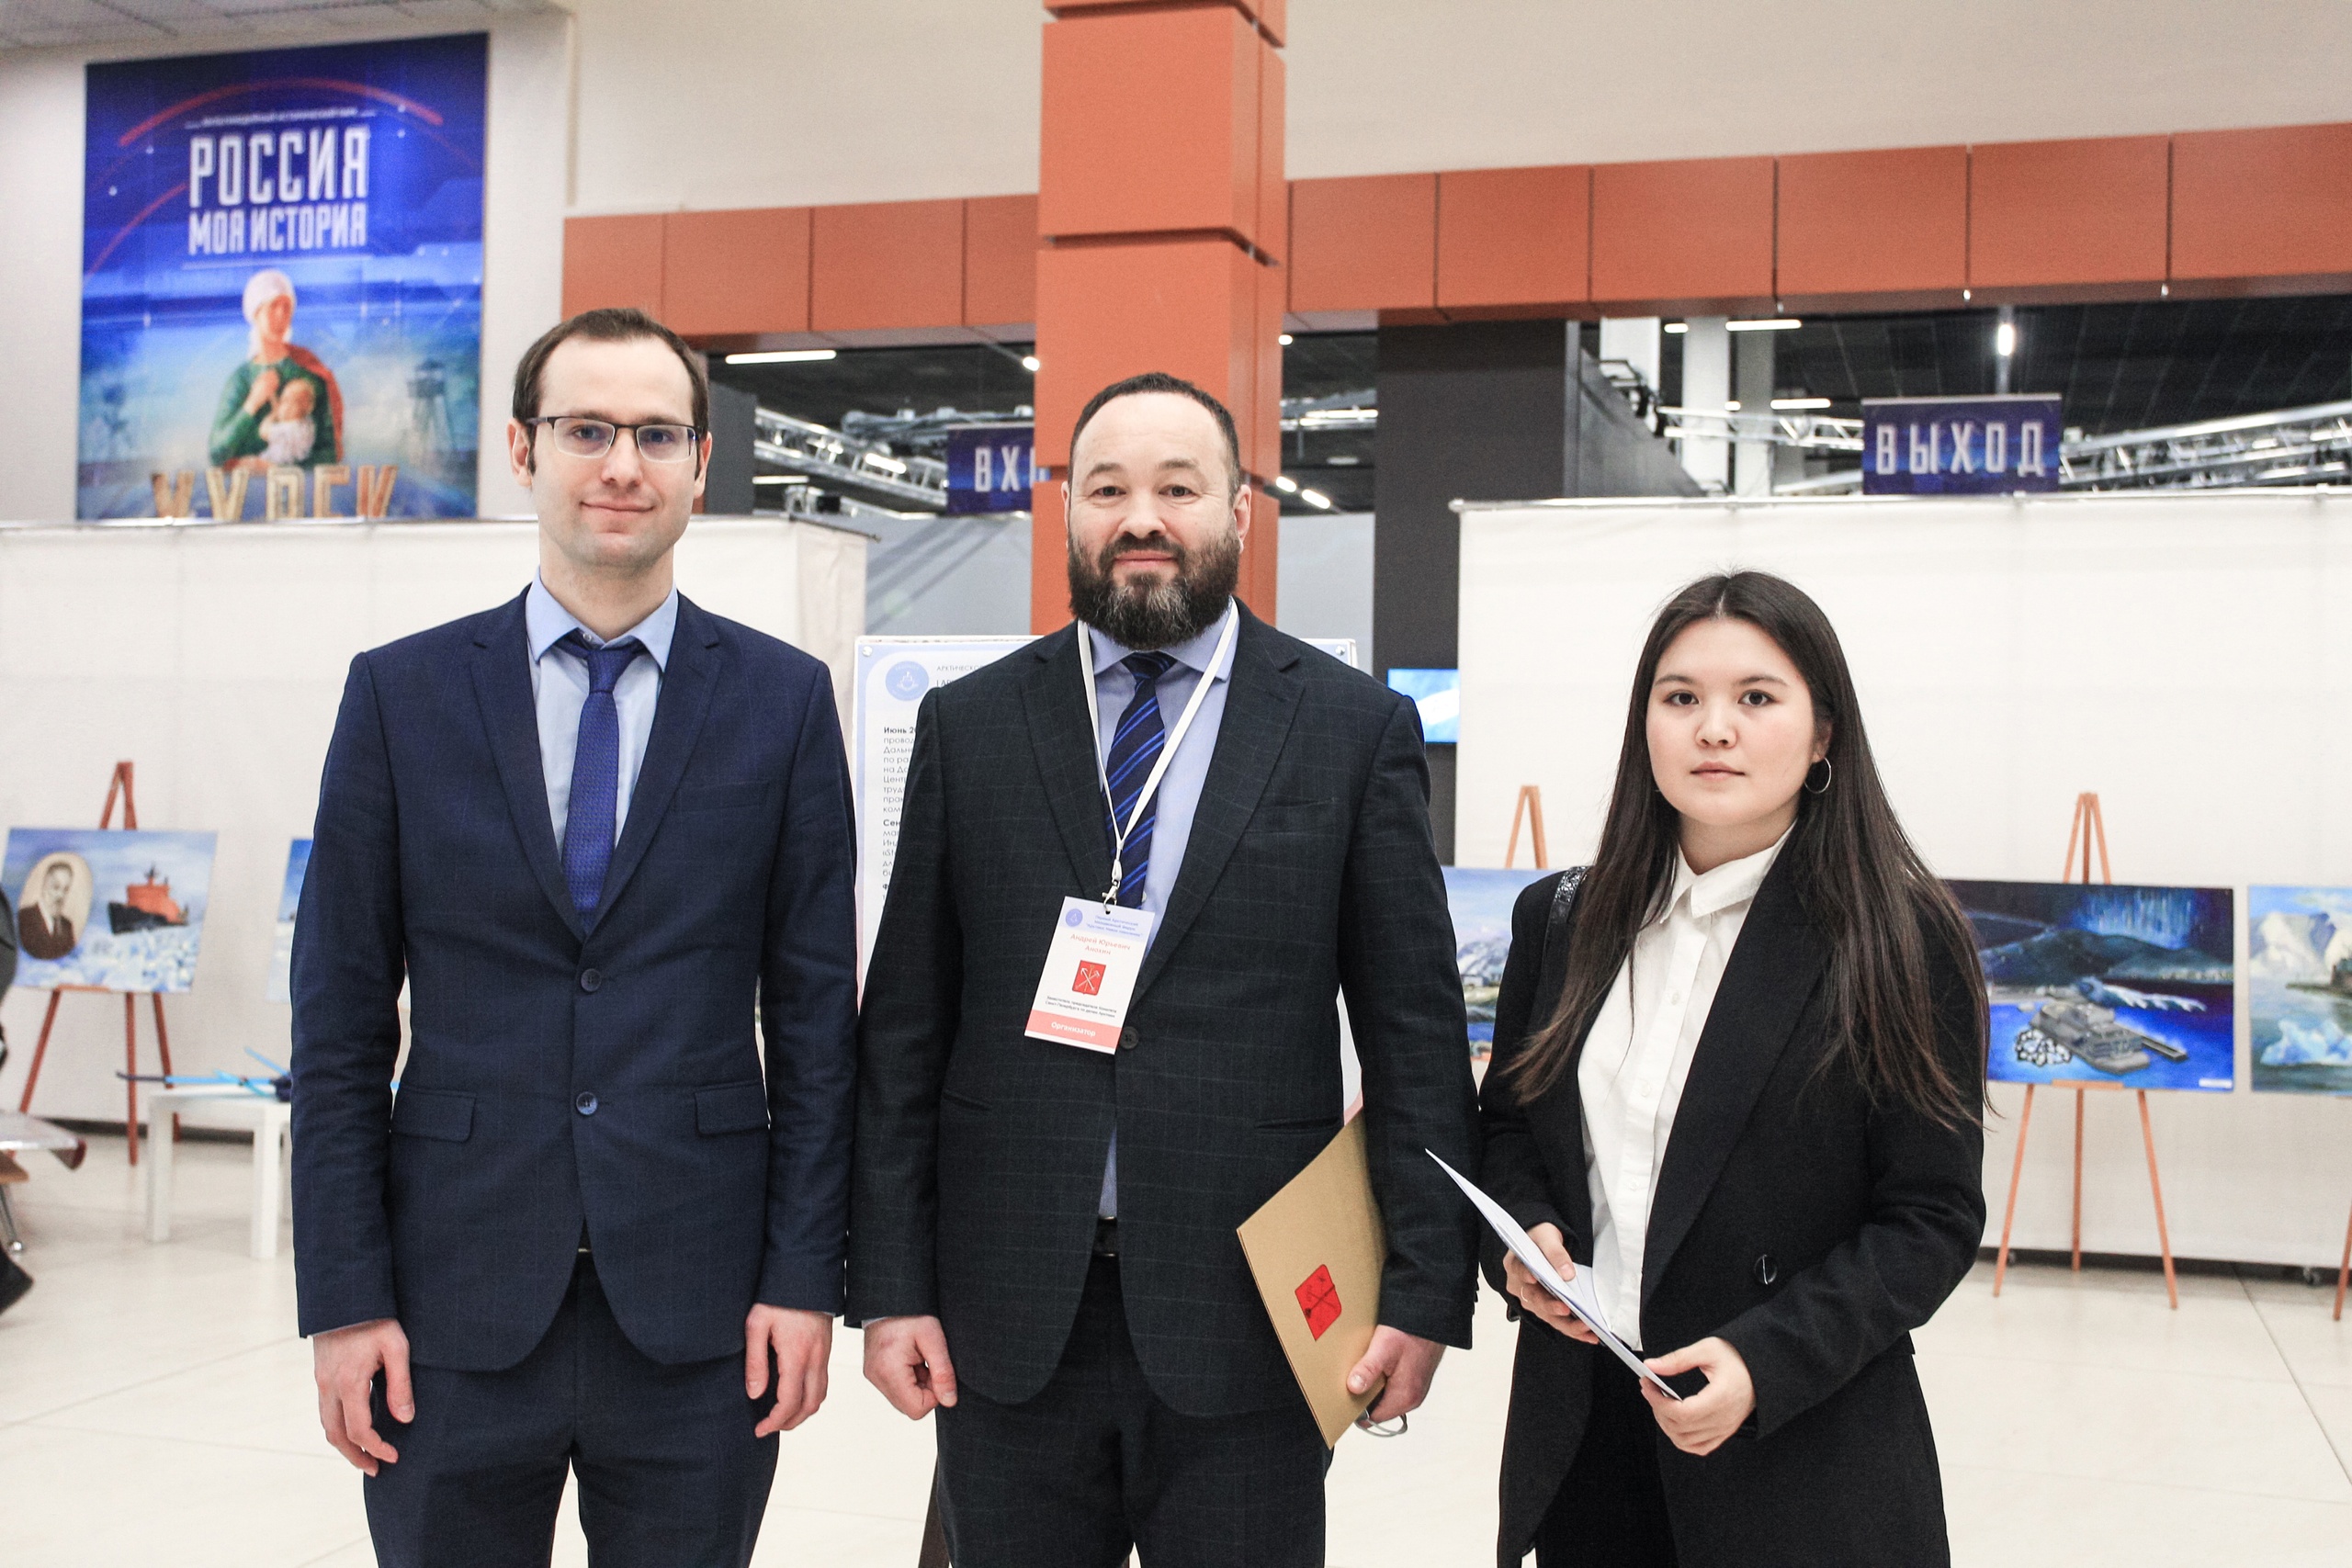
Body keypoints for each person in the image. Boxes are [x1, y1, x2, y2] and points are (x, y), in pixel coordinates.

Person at [852, 370, 1479, 1567]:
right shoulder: (971, 727)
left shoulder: (1349, 731)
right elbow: (904, 1033)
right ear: (1068, 512)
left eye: (1177, 488)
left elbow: (1415, 1037)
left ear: (1240, 511)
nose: (1141, 517)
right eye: (1107, 489)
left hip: (1252, 1315)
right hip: (1007, 1314)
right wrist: (889, 1284)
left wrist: (1421, 1289)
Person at [290, 306, 857, 1568]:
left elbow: (819, 1023)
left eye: (656, 435)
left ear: (702, 463)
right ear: (522, 449)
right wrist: (345, 1297)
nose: (621, 465)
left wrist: (802, 1276)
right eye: (586, 430)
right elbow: (336, 1023)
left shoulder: (781, 703)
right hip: (447, 1305)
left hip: (705, 1313)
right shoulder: (401, 696)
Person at [1477, 571, 1987, 1568]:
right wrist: (1526, 1238)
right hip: (1589, 1433)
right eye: (1681, 697)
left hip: (1794, 1447)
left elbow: (1930, 1218)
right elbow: (1510, 1126)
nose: (1714, 728)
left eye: (1756, 697)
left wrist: (1765, 1359)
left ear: (1823, 732)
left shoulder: (1897, 937)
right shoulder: (1562, 919)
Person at [209, 268, 342, 477]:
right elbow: (217, 453)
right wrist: (252, 403)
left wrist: (276, 470)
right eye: (273, 306)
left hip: (298, 490)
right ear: (256, 313)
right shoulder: (241, 379)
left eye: (286, 307)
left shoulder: (309, 373)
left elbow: (329, 452)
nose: (281, 314)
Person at [18, 861, 78, 961]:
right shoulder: (25, 917)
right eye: (56, 887)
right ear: (44, 885)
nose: (61, 895)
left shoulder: (67, 926)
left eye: (65, 889)